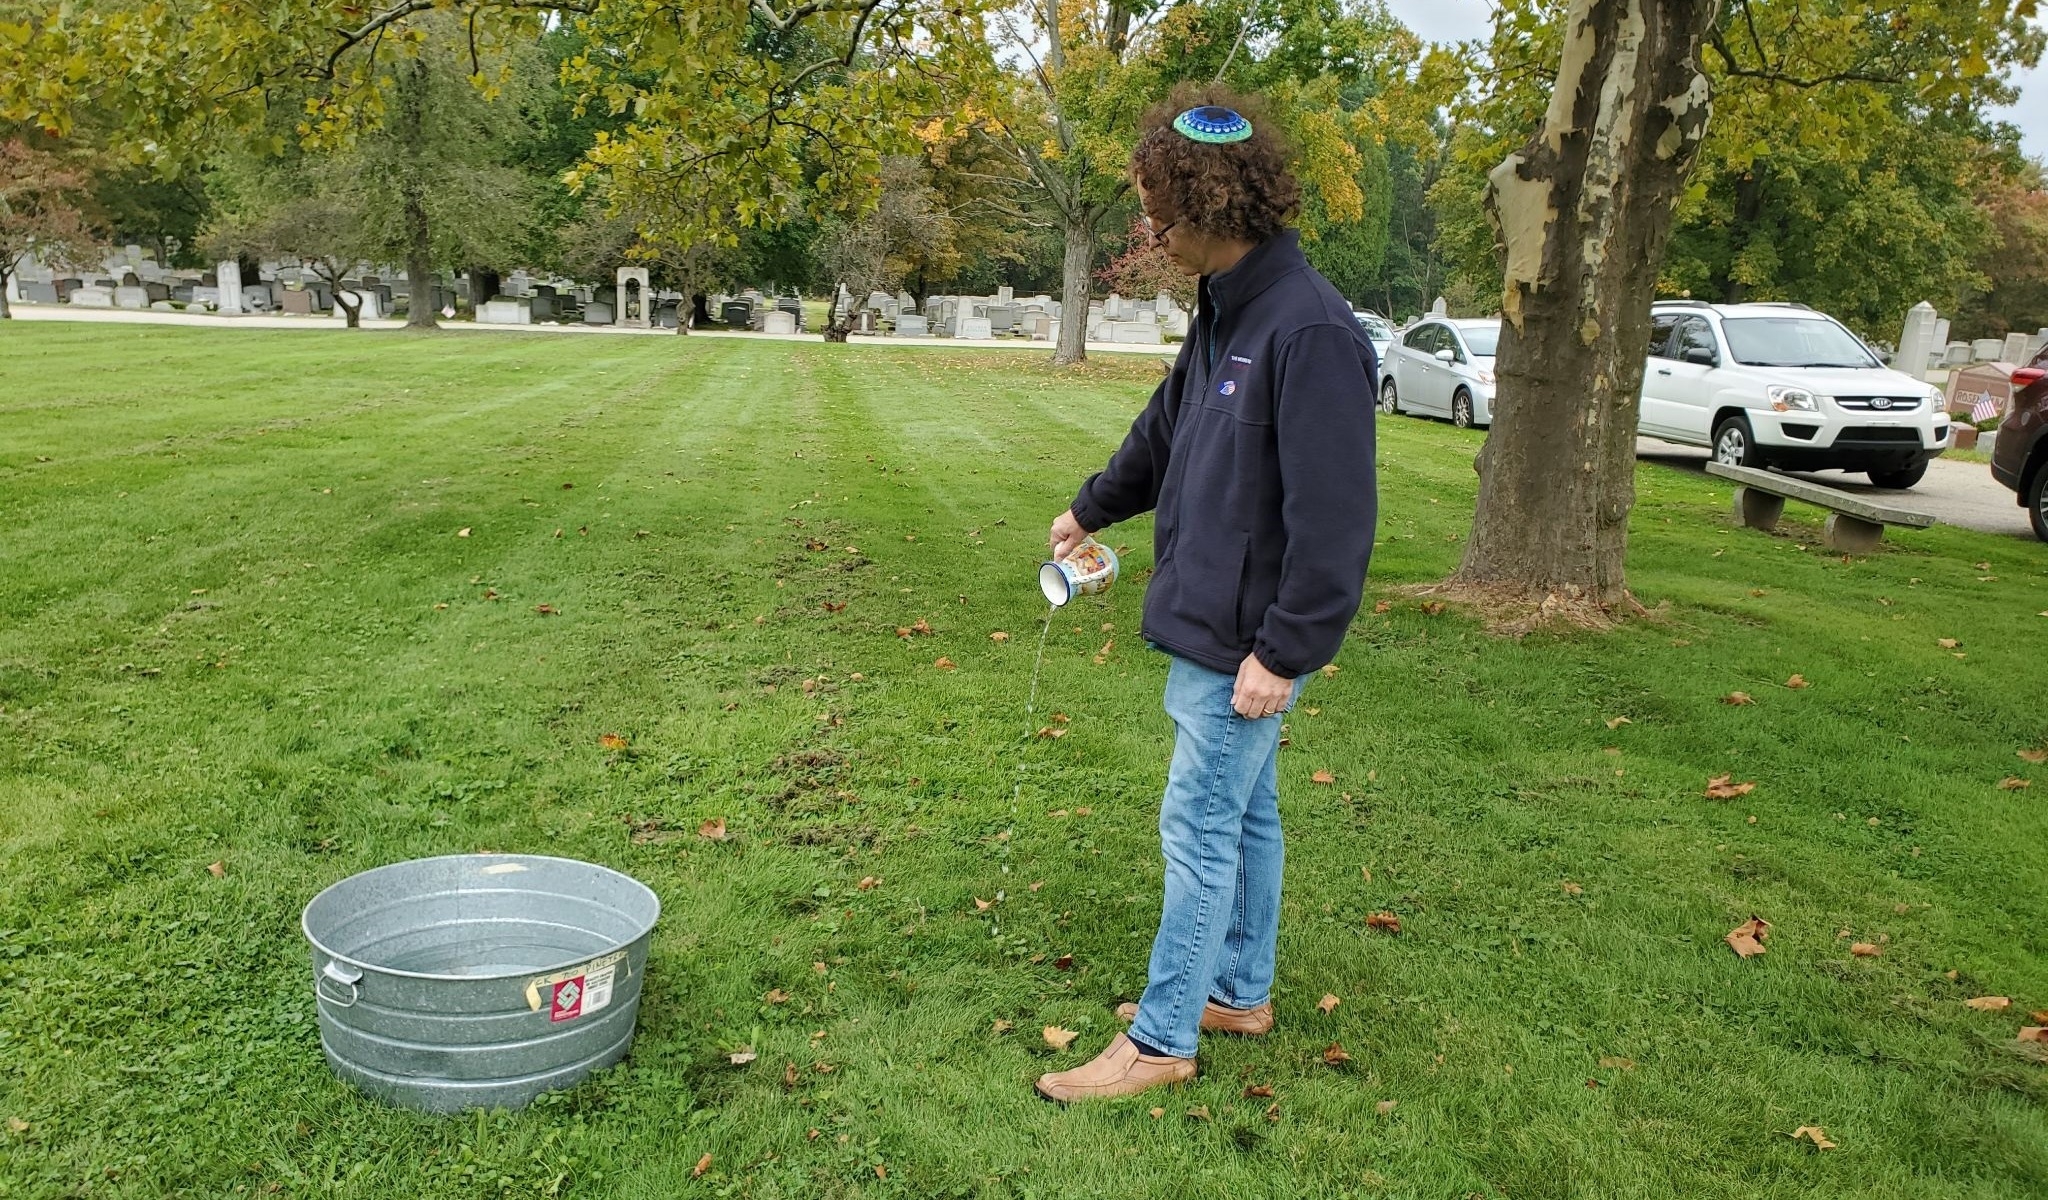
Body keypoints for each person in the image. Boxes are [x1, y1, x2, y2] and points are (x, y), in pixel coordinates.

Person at [1035, 89, 1378, 1104]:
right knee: (1248, 814)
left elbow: (1335, 519)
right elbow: (1164, 429)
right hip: (1211, 622)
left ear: (1210, 208)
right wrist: (1092, 508)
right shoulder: (1227, 312)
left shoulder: (1308, 331)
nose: (1147, 233)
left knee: (1197, 826)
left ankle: (1162, 1039)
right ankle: (1237, 990)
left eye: (1155, 214)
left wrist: (1287, 650)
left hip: (1247, 644)